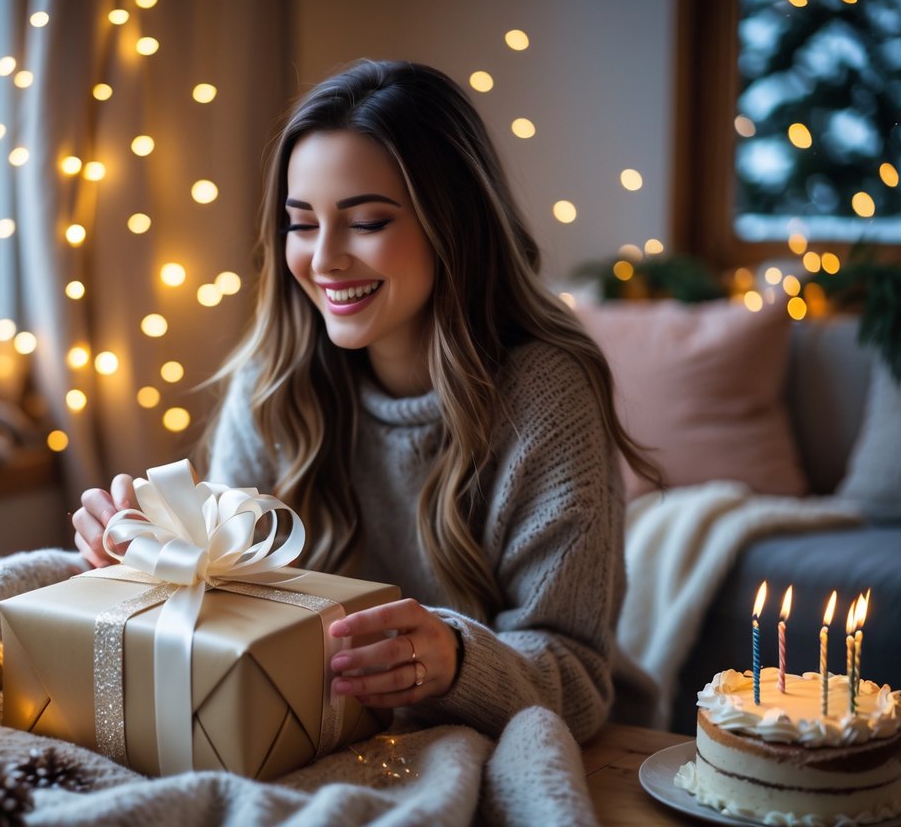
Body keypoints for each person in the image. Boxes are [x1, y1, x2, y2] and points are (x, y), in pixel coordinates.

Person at [73, 59, 658, 741]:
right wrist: (154, 564)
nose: (323, 260)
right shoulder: (273, 377)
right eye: (301, 224)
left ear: (454, 223)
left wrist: (453, 662)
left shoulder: (545, 396)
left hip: (553, 742)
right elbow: (232, 602)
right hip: (330, 733)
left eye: (367, 221)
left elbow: (576, 679)